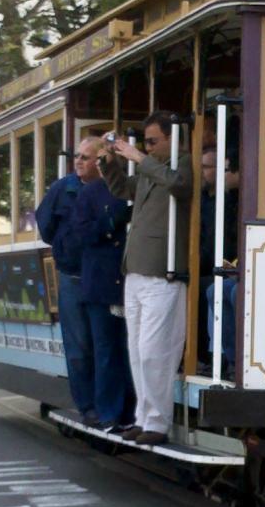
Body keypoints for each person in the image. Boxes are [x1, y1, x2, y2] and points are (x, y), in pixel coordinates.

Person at [98, 112, 193, 445]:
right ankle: (144, 416)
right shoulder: (154, 169)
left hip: (162, 271)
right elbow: (124, 188)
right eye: (146, 143)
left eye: (153, 141)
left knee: (156, 351)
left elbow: (181, 185)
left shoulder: (183, 164)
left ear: (173, 138)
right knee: (137, 351)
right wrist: (108, 161)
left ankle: (158, 422)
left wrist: (138, 157)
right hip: (136, 269)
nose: (148, 147)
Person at [35, 136, 131, 428]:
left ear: (102, 161)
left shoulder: (118, 189)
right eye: (77, 155)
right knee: (78, 349)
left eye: (86, 157)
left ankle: (111, 408)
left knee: (106, 346)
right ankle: (87, 406)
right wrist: (68, 249)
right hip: (73, 277)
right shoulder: (64, 188)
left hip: (105, 277)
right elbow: (46, 226)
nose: (79, 161)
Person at [199, 138, 240, 376]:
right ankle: (217, 358)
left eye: (209, 167)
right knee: (210, 288)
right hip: (219, 266)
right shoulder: (208, 200)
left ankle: (225, 359)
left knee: (216, 288)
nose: (203, 172)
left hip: (230, 268)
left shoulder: (235, 201)